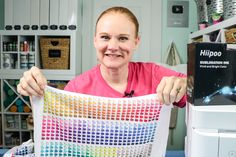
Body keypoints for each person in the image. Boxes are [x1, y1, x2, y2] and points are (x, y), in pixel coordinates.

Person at [17, 6, 187, 107]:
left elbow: (206, 93)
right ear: (95, 40)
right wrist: (35, 93)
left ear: (136, 42)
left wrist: (187, 83)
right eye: (105, 37)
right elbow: (55, 129)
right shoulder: (77, 88)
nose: (113, 47)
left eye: (123, 38)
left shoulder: (154, 75)